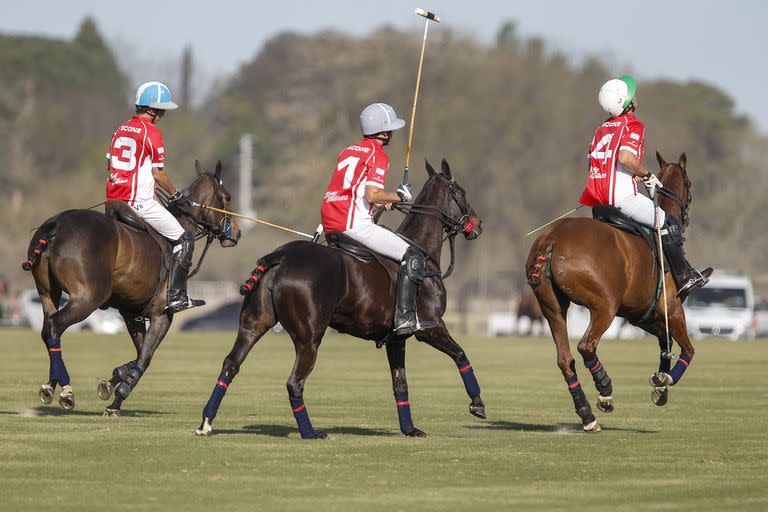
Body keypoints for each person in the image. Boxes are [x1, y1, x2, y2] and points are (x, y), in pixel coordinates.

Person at [579, 75, 710, 298]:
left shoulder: (601, 130)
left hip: (598, 203)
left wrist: (632, 175)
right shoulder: (634, 125)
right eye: (632, 94)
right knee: (669, 222)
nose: (635, 95)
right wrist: (646, 173)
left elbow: (599, 163)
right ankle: (684, 277)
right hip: (622, 199)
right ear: (626, 102)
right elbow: (625, 157)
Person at [320, 103, 435, 336]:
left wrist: (384, 202)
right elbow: (372, 193)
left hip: (331, 221)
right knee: (412, 256)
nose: (391, 133)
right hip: (354, 225)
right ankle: (404, 317)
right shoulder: (378, 154)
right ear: (382, 131)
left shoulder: (348, 151)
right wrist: (398, 195)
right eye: (390, 128)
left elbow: (356, 192)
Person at [106, 81, 203, 314]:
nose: (163, 115)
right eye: (162, 110)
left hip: (113, 201)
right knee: (185, 239)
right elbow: (158, 173)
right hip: (139, 203)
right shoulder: (152, 133)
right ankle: (176, 296)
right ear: (152, 109)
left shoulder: (120, 129)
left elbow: (112, 164)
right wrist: (176, 194)